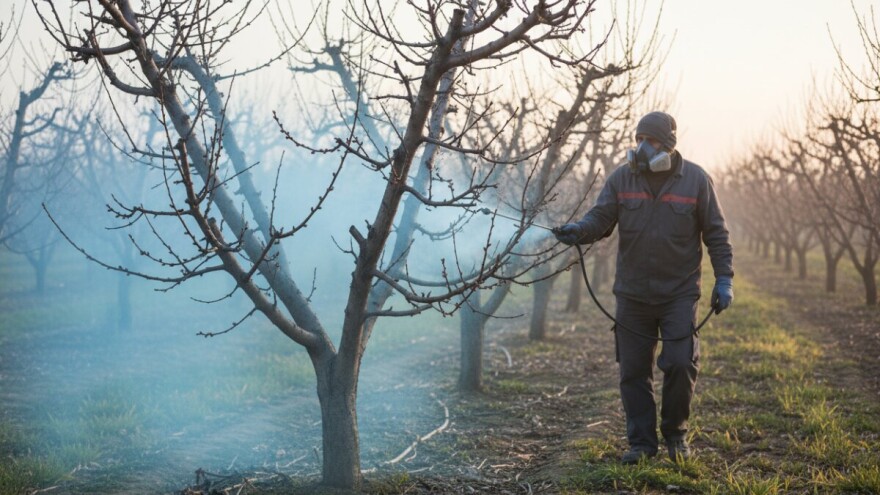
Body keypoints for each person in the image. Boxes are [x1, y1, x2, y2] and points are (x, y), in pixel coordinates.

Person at [554, 111, 734, 464]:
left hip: (678, 294)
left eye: (648, 141)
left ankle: (676, 435)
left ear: (666, 145)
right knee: (633, 370)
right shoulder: (623, 178)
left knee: (681, 363)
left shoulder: (696, 180)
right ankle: (641, 444)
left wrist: (724, 279)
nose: (640, 147)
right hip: (632, 294)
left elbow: (717, 234)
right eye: (638, 139)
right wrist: (580, 230)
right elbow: (601, 218)